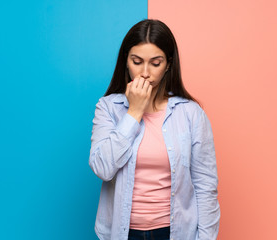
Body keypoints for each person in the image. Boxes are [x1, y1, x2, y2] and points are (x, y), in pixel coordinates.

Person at [89, 19, 220, 240]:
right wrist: (133, 113)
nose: (145, 73)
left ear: (168, 64)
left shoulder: (190, 114)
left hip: (175, 233)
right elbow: (102, 168)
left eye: (155, 63)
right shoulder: (108, 108)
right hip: (123, 233)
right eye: (137, 62)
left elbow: (205, 185)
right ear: (126, 62)